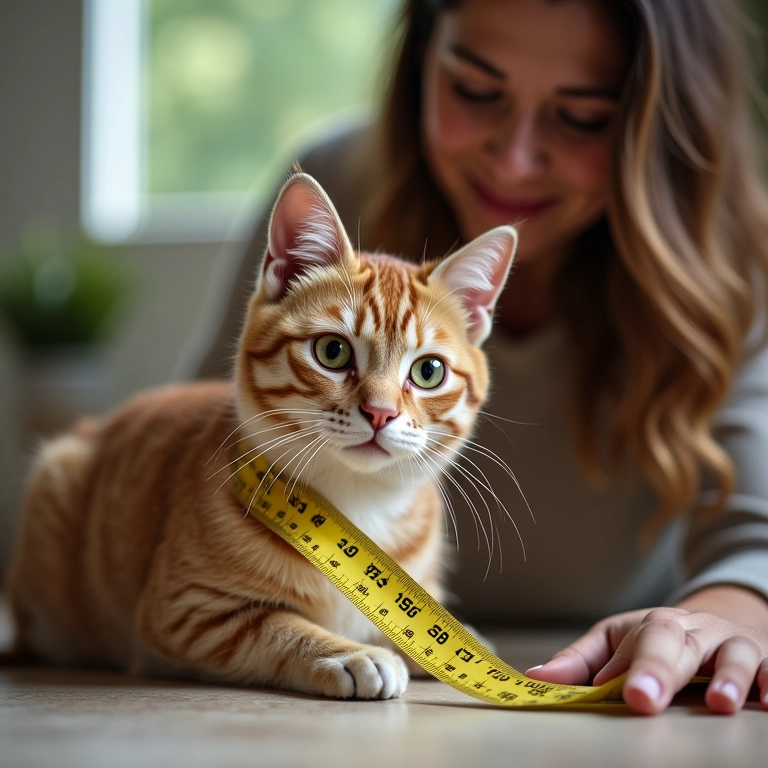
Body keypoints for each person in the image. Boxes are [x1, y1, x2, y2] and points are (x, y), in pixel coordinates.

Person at [181, 0, 768, 715]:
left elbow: (756, 539)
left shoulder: (740, 264)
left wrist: (715, 623)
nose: (514, 158)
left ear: (657, 124)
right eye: (476, 91)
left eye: (580, 116)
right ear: (422, 59)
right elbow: (201, 463)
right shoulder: (329, 188)